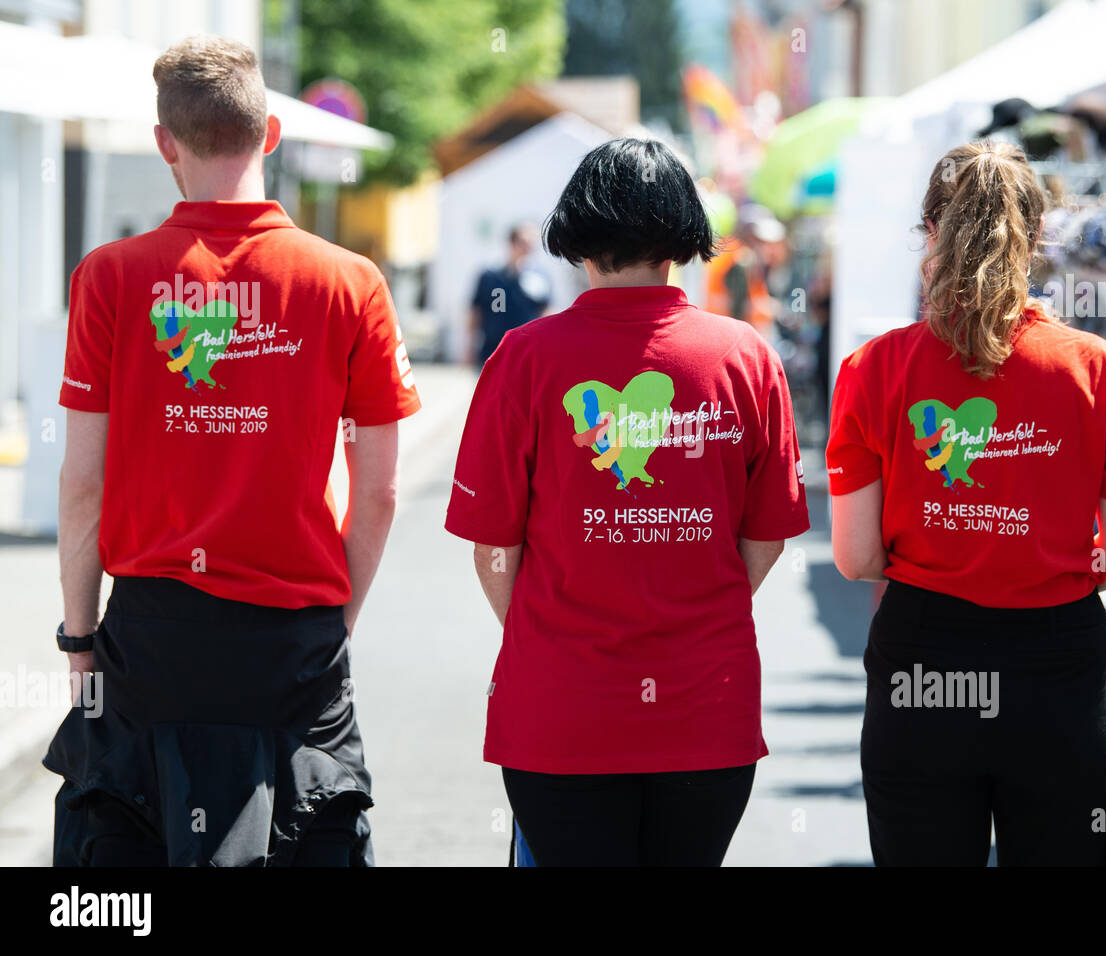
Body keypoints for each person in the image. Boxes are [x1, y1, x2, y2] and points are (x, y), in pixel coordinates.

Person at [47, 35, 421, 866]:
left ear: (164, 143)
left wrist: (80, 642)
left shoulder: (111, 277)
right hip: (295, 641)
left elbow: (82, 483)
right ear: (273, 135)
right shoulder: (348, 281)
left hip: (150, 638)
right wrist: (336, 619)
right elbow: (382, 489)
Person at [445, 138, 809, 867]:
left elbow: (493, 547)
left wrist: (547, 632)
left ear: (577, 233)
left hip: (561, 709)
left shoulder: (523, 358)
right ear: (683, 235)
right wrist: (694, 600)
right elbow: (765, 538)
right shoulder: (747, 358)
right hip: (707, 709)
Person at [826, 141, 1106, 866]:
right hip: (1061, 674)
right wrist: (1048, 556)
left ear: (931, 234)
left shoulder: (873, 369)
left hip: (924, 663)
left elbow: (854, 558)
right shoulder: (1101, 369)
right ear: (1037, 237)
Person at [467, 222, 551, 367]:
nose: (527, 249)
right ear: (512, 243)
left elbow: (546, 311)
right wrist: (469, 346)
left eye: (531, 244)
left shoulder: (539, 277)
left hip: (526, 352)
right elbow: (476, 312)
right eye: (524, 243)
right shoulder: (490, 276)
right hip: (493, 350)